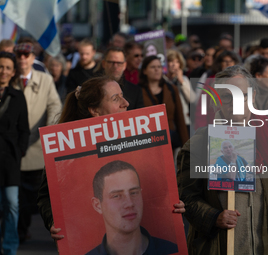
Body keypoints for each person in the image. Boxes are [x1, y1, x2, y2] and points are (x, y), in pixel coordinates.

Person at [177, 65, 268, 255]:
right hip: (222, 248)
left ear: (253, 96)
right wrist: (213, 217)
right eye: (227, 96)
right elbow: (186, 198)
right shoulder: (198, 144)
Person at [37, 76, 185, 241]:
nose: (126, 103)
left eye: (122, 95)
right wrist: (53, 221)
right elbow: (46, 196)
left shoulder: (141, 138)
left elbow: (156, 190)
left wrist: (171, 204)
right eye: (116, 99)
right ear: (95, 110)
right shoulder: (65, 148)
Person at [13, 41, 62, 243]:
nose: (23, 59)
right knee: (17, 197)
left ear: (33, 58)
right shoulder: (9, 78)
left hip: (37, 148)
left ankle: (49, 230)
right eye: (19, 55)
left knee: (40, 195)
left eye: (27, 55)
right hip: (14, 148)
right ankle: (20, 231)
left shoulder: (45, 79)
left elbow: (54, 106)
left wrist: (48, 132)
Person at [86, 160, 179, 255]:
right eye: (116, 196)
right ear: (97, 205)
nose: (129, 203)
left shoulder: (174, 250)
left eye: (134, 193)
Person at [0, 51, 30, 255]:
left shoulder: (18, 97)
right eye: (0, 66)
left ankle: (9, 247)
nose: (3, 71)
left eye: (8, 68)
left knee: (11, 204)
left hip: (9, 160)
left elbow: (24, 129)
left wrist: (19, 151)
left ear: (13, 73)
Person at [139, 56, 189, 150]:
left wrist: (186, 147)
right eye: (153, 67)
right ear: (144, 71)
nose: (157, 69)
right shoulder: (138, 91)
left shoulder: (171, 89)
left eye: (159, 67)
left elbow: (180, 119)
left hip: (170, 142)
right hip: (148, 144)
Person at [165, 49, 196, 134]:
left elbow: (192, 99)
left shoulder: (184, 79)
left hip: (184, 120)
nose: (174, 64)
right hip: (167, 120)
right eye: (171, 61)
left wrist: (181, 81)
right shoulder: (162, 80)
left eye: (177, 62)